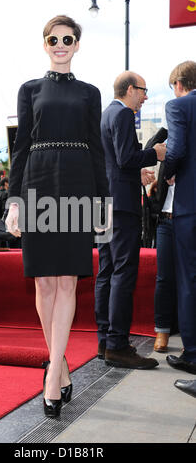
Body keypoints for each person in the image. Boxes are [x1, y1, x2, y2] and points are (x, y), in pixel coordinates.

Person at [5, 15, 109, 417]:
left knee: (67, 280)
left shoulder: (90, 92)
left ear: (77, 44)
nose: (61, 44)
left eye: (68, 39)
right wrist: (14, 200)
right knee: (43, 282)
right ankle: (62, 364)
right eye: (54, 38)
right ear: (45, 44)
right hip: (37, 183)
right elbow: (20, 148)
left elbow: (98, 150)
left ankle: (51, 375)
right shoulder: (29, 89)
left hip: (78, 184)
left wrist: (102, 201)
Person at [94, 71, 166, 369]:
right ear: (129, 90)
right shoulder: (123, 115)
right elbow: (125, 157)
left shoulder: (104, 116)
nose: (146, 96)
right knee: (123, 271)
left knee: (107, 271)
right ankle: (118, 345)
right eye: (143, 90)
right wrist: (155, 153)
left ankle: (104, 340)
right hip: (123, 206)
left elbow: (112, 163)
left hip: (104, 203)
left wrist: (136, 173)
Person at [164, 61, 196, 375]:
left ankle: (193, 354)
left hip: (190, 205)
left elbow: (176, 150)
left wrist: (167, 175)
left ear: (178, 83)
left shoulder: (178, 106)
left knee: (189, 280)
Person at [148, 164, 178, 352]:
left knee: (189, 279)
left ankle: (189, 335)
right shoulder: (169, 143)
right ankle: (162, 330)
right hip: (165, 220)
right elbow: (152, 143)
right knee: (164, 277)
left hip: (189, 218)